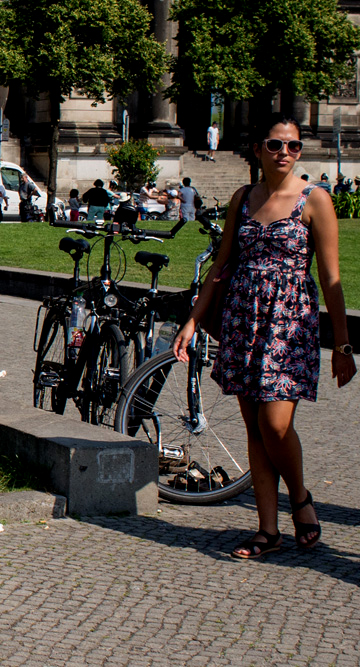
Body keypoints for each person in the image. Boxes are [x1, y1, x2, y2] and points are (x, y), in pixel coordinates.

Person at [173, 112, 356, 559]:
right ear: (258, 149)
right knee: (255, 428)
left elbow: (331, 279)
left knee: (276, 424)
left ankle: (300, 499)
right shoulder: (243, 197)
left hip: (290, 323)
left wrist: (343, 345)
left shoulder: (316, 200)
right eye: (276, 145)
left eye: (293, 146)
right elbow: (220, 267)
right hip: (243, 319)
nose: (285, 154)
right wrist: (194, 320)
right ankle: (267, 529)